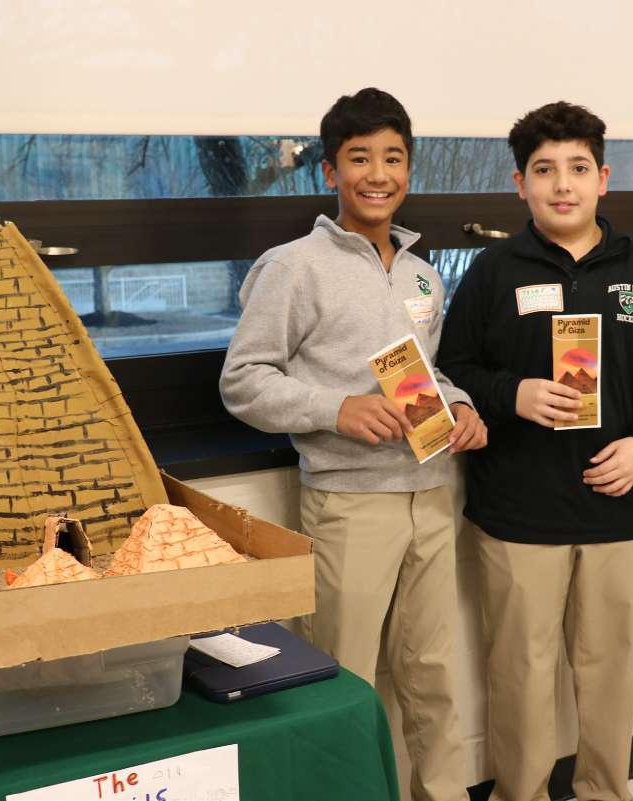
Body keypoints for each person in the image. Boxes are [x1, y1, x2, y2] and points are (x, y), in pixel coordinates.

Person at [219, 87, 485, 801]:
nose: (378, 174)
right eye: (359, 158)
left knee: (433, 671)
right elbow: (242, 381)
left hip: (432, 494)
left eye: (393, 158)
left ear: (409, 170)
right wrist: (336, 410)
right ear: (330, 171)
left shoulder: (422, 274)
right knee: (342, 677)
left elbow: (427, 371)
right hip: (349, 503)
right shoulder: (292, 266)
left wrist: (460, 404)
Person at [437, 101, 633, 801]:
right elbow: (452, 370)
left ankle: (604, 789)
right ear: (519, 183)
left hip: (616, 503)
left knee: (608, 667)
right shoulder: (493, 269)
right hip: (517, 511)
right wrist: (511, 392)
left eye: (578, 168)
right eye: (544, 170)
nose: (562, 184)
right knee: (519, 672)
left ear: (603, 179)